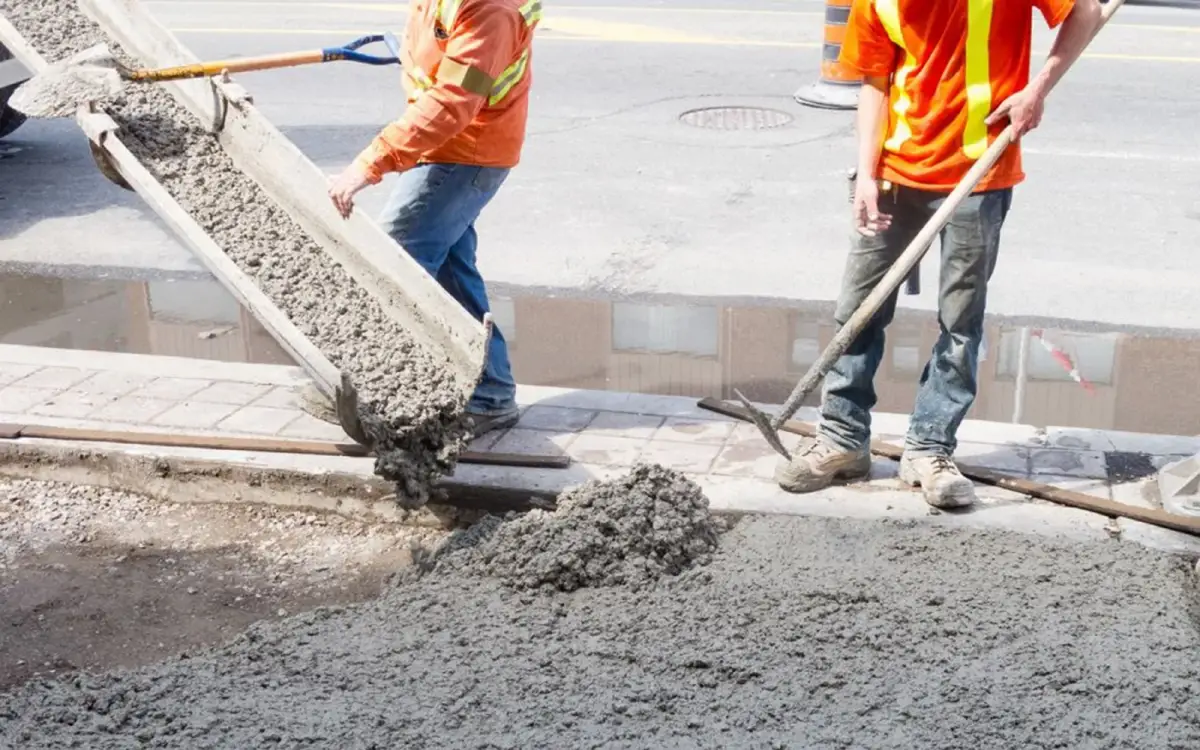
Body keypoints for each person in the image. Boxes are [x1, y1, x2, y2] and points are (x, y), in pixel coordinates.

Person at [776, 0, 1102, 508]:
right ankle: (842, 441)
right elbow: (875, 83)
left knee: (959, 322)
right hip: (894, 171)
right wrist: (865, 173)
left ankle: (929, 450)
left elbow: (1086, 10)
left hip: (980, 172)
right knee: (856, 313)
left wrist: (1037, 89)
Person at [326, 0, 541, 436]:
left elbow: (454, 100)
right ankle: (491, 390)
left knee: (396, 262)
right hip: (450, 146)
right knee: (448, 272)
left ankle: (382, 390)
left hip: (466, 152)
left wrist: (370, 164)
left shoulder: (491, 11)